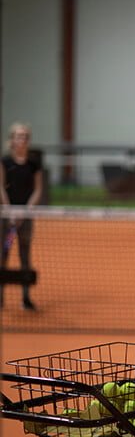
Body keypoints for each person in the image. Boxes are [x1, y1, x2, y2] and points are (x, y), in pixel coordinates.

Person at [0, 122, 43, 310]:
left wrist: (25, 212)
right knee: (4, 255)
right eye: (19, 135)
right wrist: (10, 212)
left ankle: (26, 298)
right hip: (6, 218)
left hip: (25, 218)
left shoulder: (34, 164)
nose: (23, 139)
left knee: (25, 256)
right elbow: (1, 187)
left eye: (25, 136)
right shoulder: (5, 162)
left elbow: (38, 189)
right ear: (12, 139)